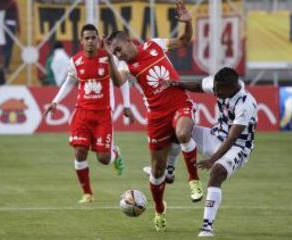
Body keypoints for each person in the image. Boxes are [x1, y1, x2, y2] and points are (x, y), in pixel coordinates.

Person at [105, 0, 203, 232]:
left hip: (180, 103)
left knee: (183, 132)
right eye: (114, 53)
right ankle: (159, 211)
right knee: (157, 171)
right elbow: (118, 82)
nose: (119, 55)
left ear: (129, 41)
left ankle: (194, 181)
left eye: (119, 50)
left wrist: (188, 23)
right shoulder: (126, 67)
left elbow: (186, 40)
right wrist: (109, 58)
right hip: (156, 117)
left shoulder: (155, 45)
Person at [44, 24, 133, 204]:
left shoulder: (109, 59)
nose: (91, 41)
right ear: (81, 41)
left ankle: (115, 153)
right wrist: (55, 101)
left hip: (103, 113)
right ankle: (87, 193)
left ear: (99, 40)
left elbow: (122, 82)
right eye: (87, 38)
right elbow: (70, 82)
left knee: (103, 158)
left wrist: (127, 104)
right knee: (80, 152)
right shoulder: (75, 61)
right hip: (82, 112)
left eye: (94, 38)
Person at [167, 67, 258, 237]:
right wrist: (177, 84)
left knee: (217, 171)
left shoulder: (246, 104)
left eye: (219, 89)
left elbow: (232, 138)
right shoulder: (219, 83)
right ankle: (169, 172)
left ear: (232, 87)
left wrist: (212, 160)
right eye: (214, 88)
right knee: (177, 129)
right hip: (215, 136)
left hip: (238, 146)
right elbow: (199, 85)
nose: (215, 92)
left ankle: (207, 227)